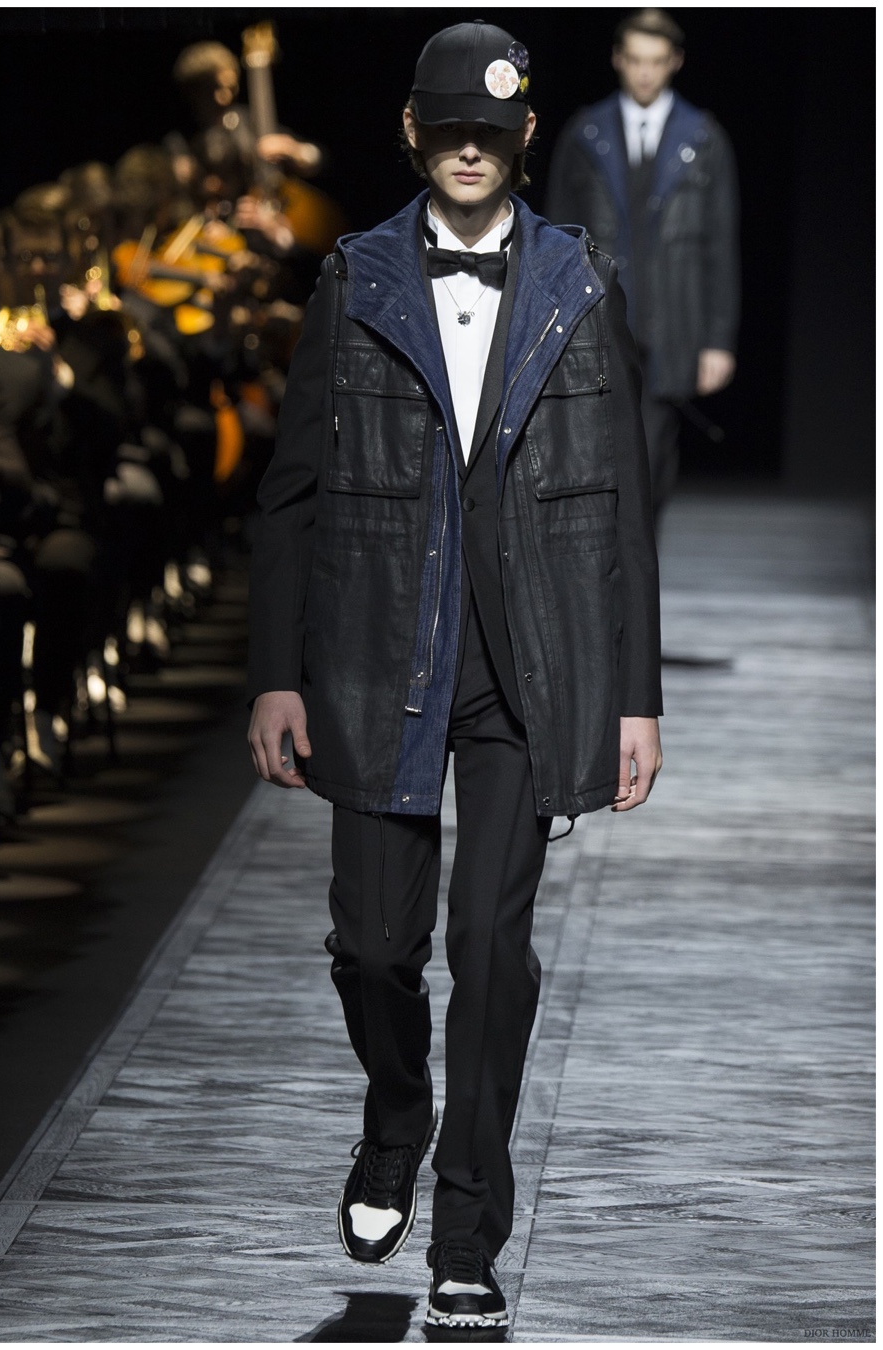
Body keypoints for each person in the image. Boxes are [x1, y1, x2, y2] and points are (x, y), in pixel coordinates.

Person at [247, 20, 662, 1331]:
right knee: (377, 949)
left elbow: (618, 501)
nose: (470, 149)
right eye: (449, 129)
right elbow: (294, 490)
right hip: (379, 652)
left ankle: (467, 1233)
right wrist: (275, 673)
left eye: (491, 130)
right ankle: (395, 1117)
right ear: (413, 133)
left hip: (527, 666)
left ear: (525, 135)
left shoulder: (582, 282)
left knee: (491, 947)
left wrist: (635, 693)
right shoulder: (356, 277)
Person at [545, 8, 740, 527]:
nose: (645, 72)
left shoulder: (703, 140)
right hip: (596, 321)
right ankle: (609, 565)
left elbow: (720, 245)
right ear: (617, 59)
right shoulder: (585, 135)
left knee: (651, 462)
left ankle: (636, 561)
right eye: (635, 60)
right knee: (595, 457)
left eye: (656, 60)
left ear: (675, 61)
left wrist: (717, 340)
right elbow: (556, 237)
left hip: (672, 323)